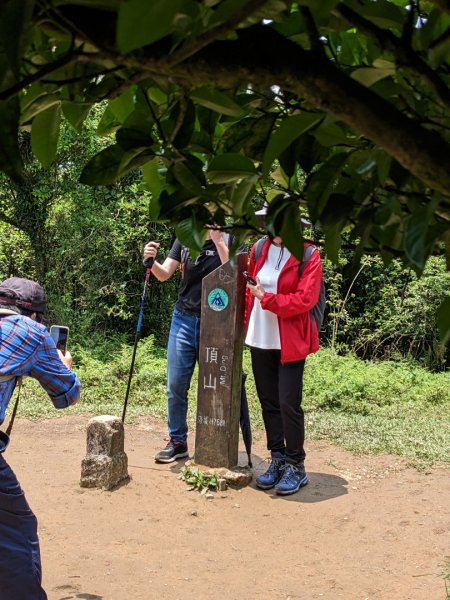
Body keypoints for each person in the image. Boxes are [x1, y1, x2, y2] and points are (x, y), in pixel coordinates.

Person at [0, 277, 81, 599]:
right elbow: (66, 394)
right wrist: (65, 366)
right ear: (34, 314)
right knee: (14, 534)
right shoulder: (29, 331)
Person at [143, 230, 231, 463]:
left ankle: (217, 442)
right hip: (183, 318)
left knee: (216, 387)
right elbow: (164, 274)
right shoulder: (185, 237)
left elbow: (233, 276)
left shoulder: (231, 237)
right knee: (175, 385)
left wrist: (219, 240)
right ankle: (178, 442)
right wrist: (151, 262)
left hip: (216, 323)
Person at [244, 234, 322, 496]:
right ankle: (277, 457)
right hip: (260, 335)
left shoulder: (308, 254)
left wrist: (267, 299)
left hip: (290, 339)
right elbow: (249, 288)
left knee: (289, 403)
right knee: (269, 402)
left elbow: (305, 299)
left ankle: (296, 465)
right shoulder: (259, 248)